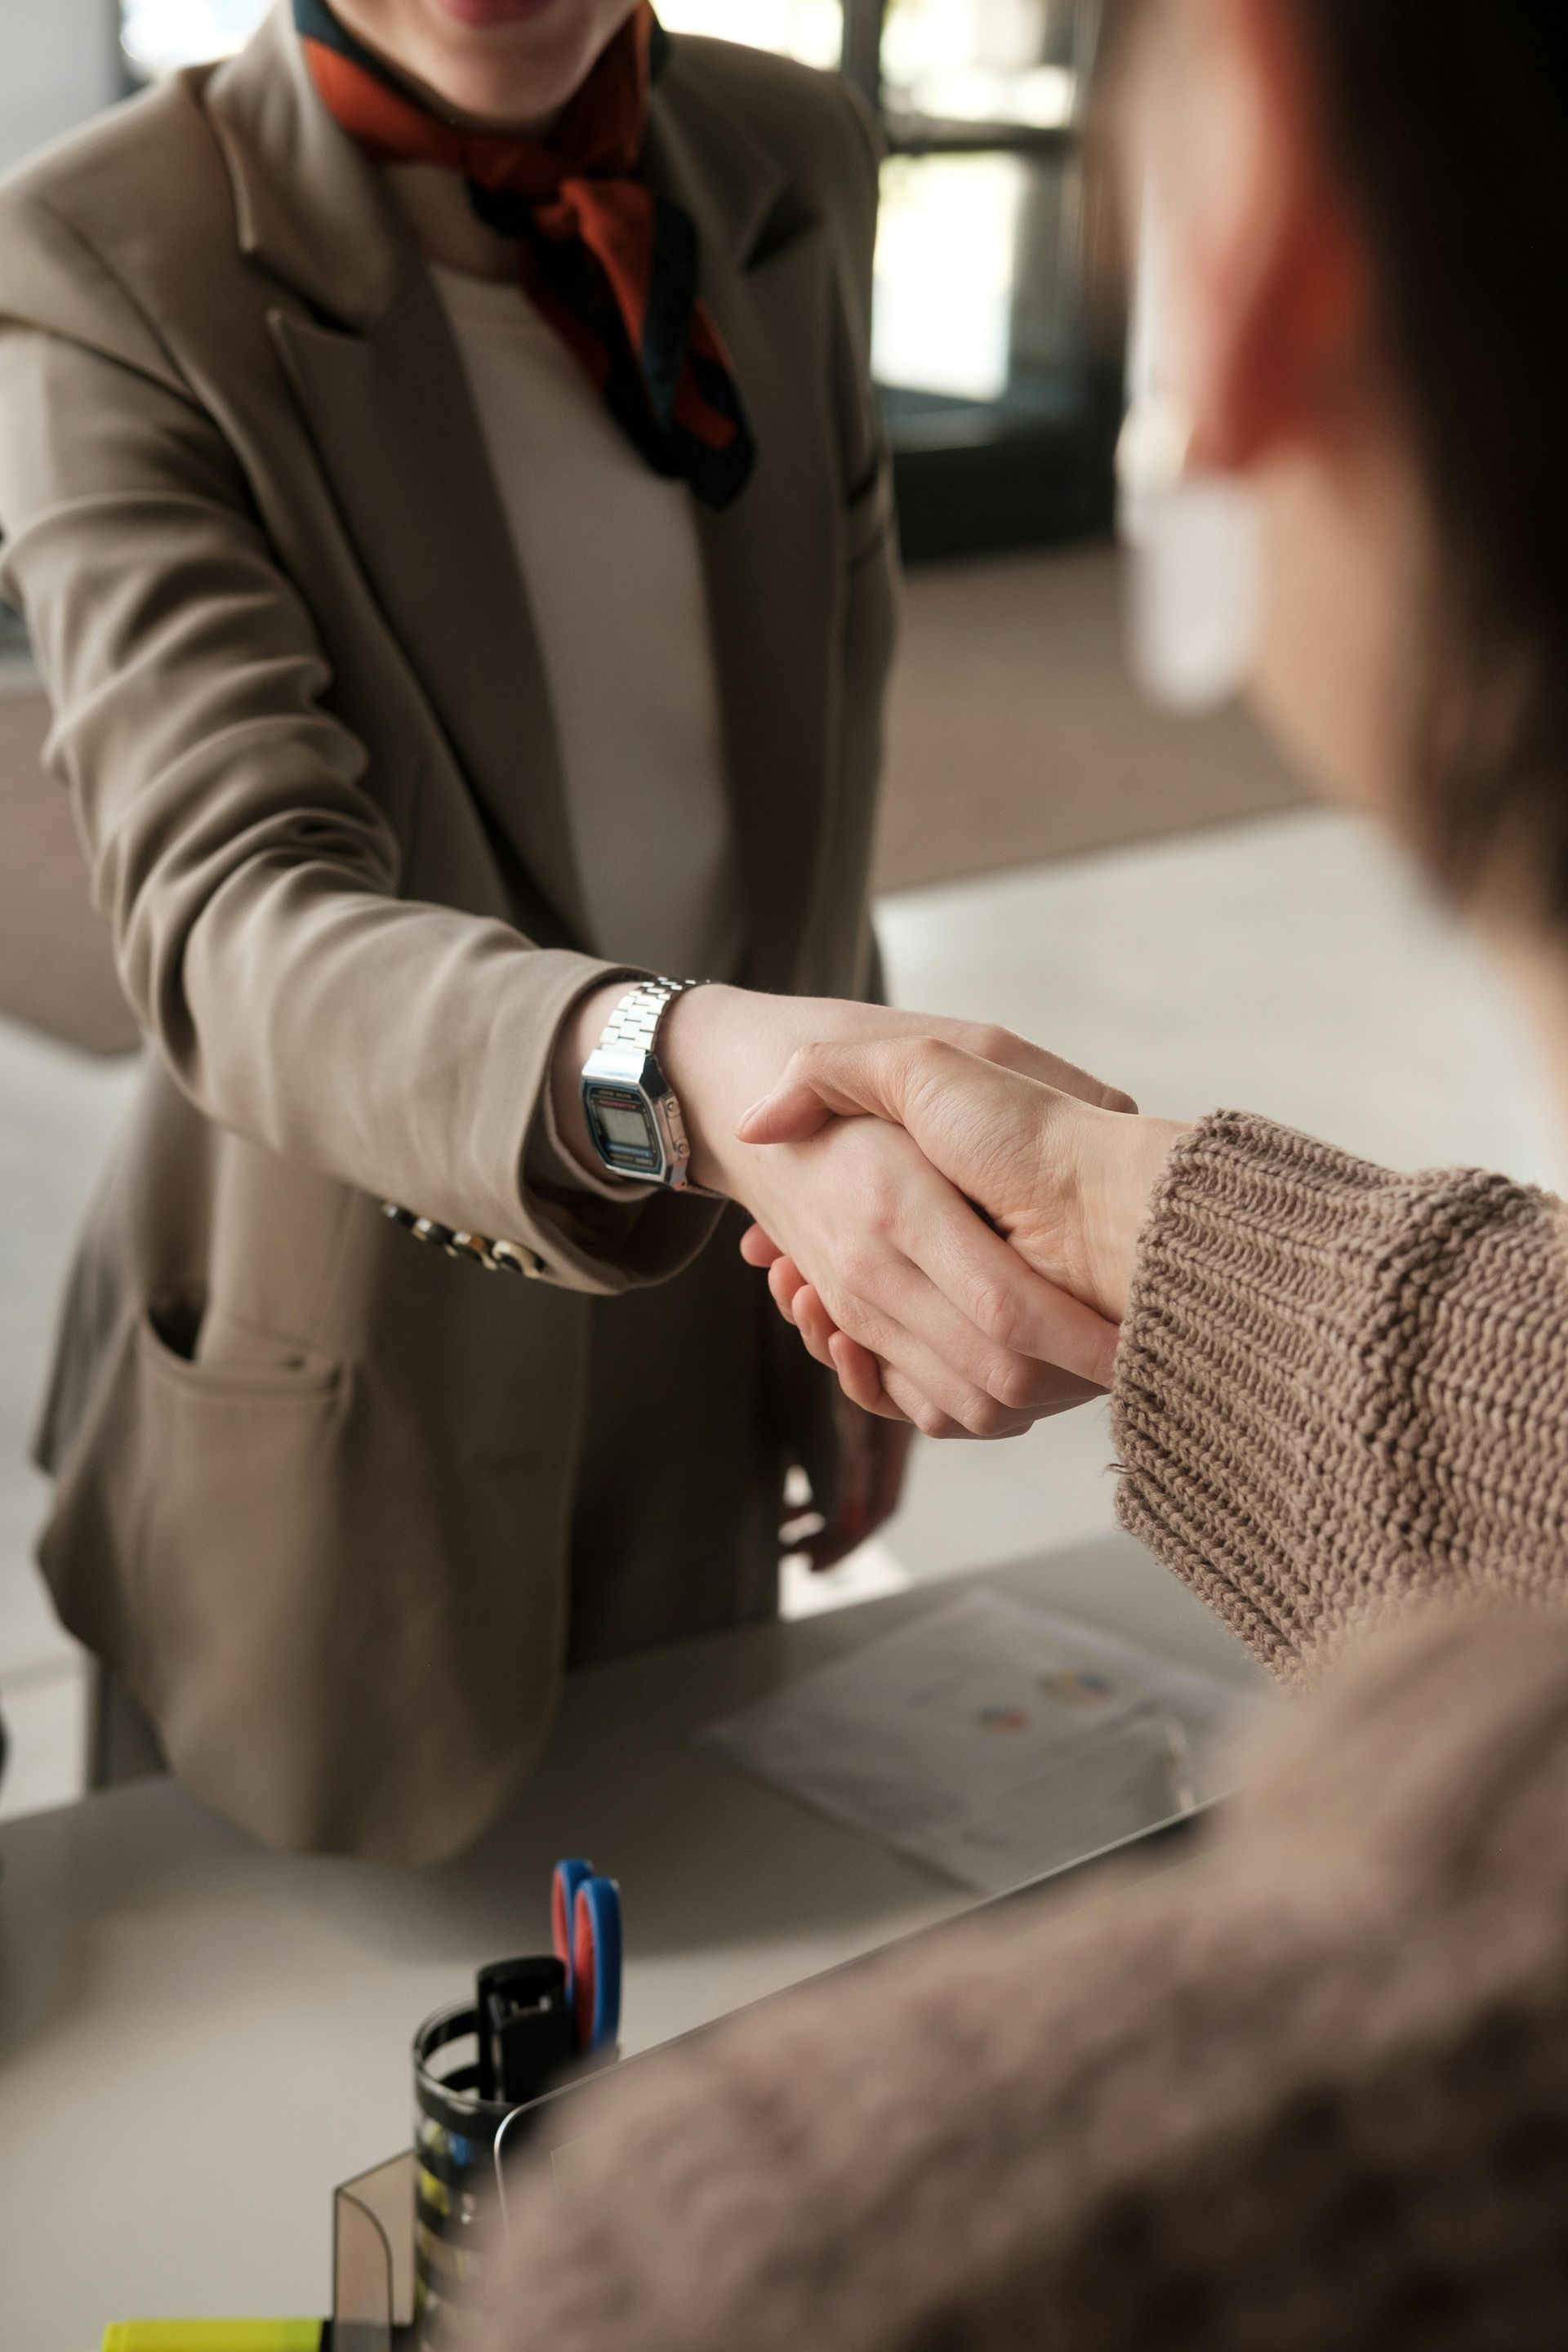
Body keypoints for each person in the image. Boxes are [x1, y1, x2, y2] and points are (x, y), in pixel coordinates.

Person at [481, 0, 1568, 2342]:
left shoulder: (835, 2266)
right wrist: (1118, 1215)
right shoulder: (101, 238)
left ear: (1249, 214)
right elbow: (232, 896)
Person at [0, 0, 1122, 1860]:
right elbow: (232, 915)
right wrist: (677, 1074)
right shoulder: (111, 248)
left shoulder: (793, 156)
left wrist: (828, 1251)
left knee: (667, 1996)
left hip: (716, 1285)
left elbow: (800, 806)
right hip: (336, 1367)